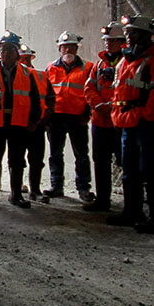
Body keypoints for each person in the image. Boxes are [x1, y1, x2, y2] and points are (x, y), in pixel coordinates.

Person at [107, 14, 154, 233]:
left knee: (150, 170)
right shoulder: (124, 63)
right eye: (128, 33)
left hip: (145, 125)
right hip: (127, 123)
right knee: (129, 170)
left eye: (132, 33)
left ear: (146, 36)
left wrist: (146, 116)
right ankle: (132, 212)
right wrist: (118, 116)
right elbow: (118, 93)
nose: (128, 37)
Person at [0, 31, 40, 209]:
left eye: (11, 49)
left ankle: (16, 195)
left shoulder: (27, 73)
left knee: (17, 160)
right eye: (4, 49)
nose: (7, 52)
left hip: (18, 123)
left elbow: (35, 99)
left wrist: (33, 121)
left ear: (17, 52)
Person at [46, 30, 95, 203]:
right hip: (56, 118)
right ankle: (56, 186)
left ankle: (83, 188)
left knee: (81, 155)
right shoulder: (51, 67)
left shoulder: (88, 68)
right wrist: (47, 116)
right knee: (55, 154)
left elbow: (91, 93)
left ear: (76, 48)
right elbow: (47, 93)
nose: (68, 50)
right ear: (60, 48)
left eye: (71, 47)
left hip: (78, 118)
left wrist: (87, 114)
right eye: (64, 47)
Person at [84, 22, 127, 213]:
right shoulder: (99, 64)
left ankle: (131, 204)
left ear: (122, 42)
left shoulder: (127, 63)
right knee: (100, 162)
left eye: (112, 41)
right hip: (100, 121)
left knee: (126, 163)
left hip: (120, 122)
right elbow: (89, 88)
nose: (108, 44)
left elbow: (127, 89)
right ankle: (102, 200)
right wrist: (98, 105)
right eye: (107, 41)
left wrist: (111, 105)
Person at [18, 44, 53, 201]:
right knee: (18, 158)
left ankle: (35, 190)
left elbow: (51, 98)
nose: (25, 61)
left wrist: (46, 116)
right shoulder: (13, 75)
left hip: (37, 123)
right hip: (18, 124)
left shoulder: (41, 75)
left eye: (27, 58)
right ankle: (16, 190)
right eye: (22, 58)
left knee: (36, 159)